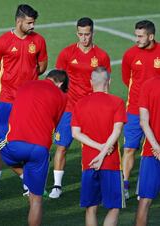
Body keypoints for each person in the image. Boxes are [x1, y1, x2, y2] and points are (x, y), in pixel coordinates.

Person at [0, 4, 48, 199]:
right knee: (0, 141)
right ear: (19, 21)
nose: (32, 26)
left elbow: (42, 66)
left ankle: (28, 183)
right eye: (29, 23)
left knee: (28, 141)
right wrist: (8, 76)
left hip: (29, 102)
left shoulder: (38, 40)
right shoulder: (3, 41)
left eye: (34, 22)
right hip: (7, 100)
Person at [49, 17, 111, 199]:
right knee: (61, 146)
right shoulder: (67, 53)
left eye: (87, 34)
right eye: (81, 34)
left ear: (93, 33)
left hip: (90, 109)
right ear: (77, 33)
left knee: (92, 148)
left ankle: (94, 183)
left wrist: (105, 107)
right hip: (68, 108)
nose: (84, 38)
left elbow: (106, 84)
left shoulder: (101, 56)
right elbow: (56, 82)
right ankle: (57, 186)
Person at [0, 70, 68, 226]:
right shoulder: (62, 97)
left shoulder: (26, 85)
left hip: (16, 144)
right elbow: (55, 123)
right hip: (40, 148)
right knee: (36, 200)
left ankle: (24, 177)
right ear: (60, 84)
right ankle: (28, 179)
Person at [71, 67, 126, 226]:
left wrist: (97, 148)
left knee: (90, 207)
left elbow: (76, 133)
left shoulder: (80, 104)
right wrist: (103, 152)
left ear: (91, 82)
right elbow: (117, 131)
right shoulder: (117, 102)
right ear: (109, 81)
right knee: (114, 207)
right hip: (111, 162)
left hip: (89, 162)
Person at [121, 20, 160, 199]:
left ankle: (146, 185)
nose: (137, 39)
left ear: (151, 36)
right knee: (129, 148)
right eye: (136, 35)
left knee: (153, 149)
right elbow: (125, 79)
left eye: (140, 36)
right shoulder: (129, 55)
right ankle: (125, 185)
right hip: (135, 110)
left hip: (157, 112)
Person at [134, 76, 160, 226]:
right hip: (153, 150)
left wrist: (156, 146)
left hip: (152, 151)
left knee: (145, 201)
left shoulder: (148, 84)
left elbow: (144, 122)